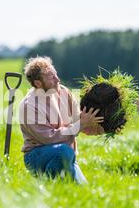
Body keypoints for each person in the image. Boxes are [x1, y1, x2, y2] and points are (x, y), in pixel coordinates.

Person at [18, 56, 104, 184]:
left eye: (56, 74)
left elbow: (81, 121)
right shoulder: (29, 106)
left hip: (67, 156)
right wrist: (80, 125)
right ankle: (49, 185)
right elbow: (50, 138)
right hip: (37, 156)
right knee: (64, 152)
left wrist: (106, 126)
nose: (57, 79)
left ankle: (57, 183)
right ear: (38, 83)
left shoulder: (63, 92)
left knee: (84, 192)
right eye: (51, 77)